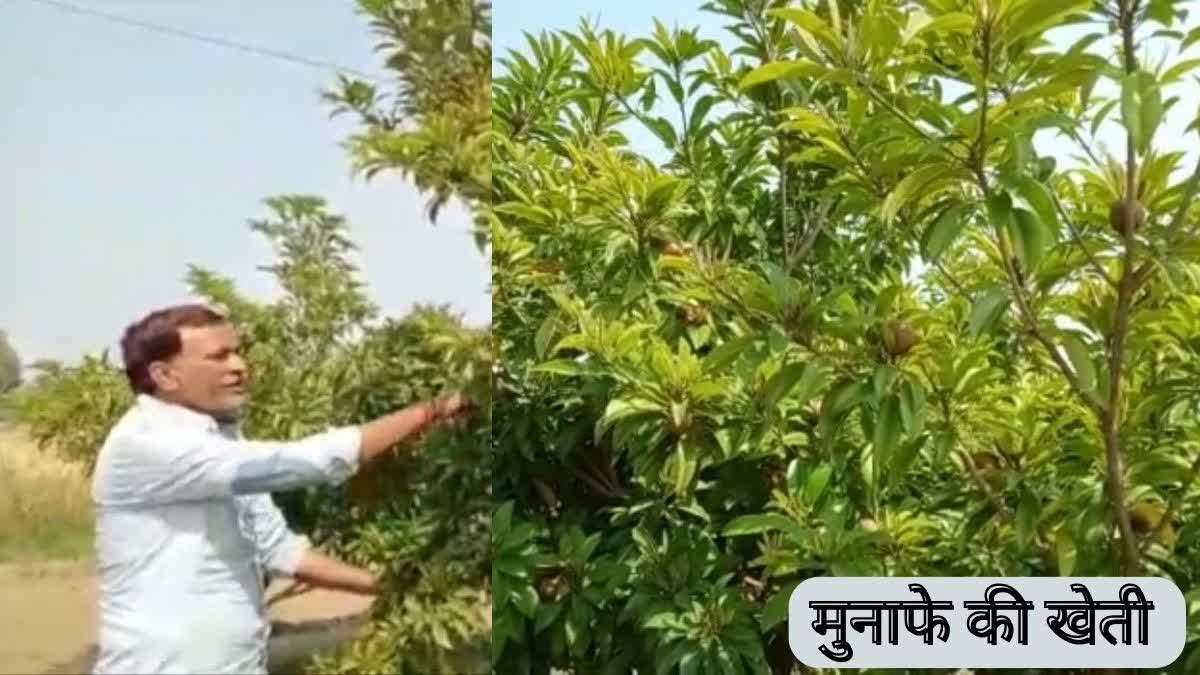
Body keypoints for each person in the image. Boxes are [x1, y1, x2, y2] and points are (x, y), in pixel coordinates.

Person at [89, 303, 472, 674]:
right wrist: (432, 411)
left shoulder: (221, 448)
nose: (239, 366)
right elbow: (308, 462)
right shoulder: (147, 443)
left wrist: (390, 587)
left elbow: (280, 551)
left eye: (238, 353)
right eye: (218, 357)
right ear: (165, 376)